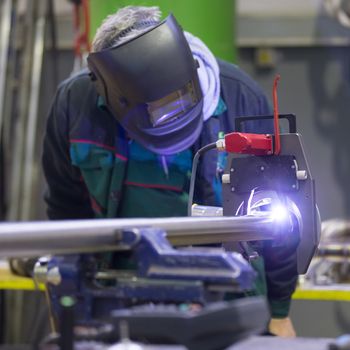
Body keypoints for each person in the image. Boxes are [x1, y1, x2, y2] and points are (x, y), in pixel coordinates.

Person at [42, 5, 297, 337]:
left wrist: (279, 311)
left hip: (231, 304)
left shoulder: (241, 97)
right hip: (116, 302)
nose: (167, 118)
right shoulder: (75, 105)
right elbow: (66, 211)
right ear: (108, 89)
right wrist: (68, 305)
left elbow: (280, 217)